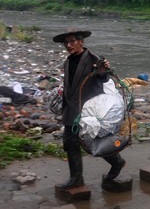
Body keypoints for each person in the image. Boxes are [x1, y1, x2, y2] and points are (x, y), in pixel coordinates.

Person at [53, 27, 126, 190]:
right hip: (71, 110)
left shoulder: (95, 59)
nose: (68, 45)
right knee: (70, 143)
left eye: (72, 41)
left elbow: (103, 75)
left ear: (81, 41)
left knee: (94, 142)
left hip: (89, 111)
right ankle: (76, 178)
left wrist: (104, 69)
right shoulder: (68, 61)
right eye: (66, 42)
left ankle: (117, 161)